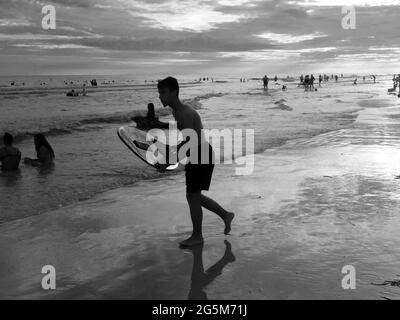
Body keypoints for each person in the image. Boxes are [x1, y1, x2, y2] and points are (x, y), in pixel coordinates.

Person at [155, 77, 234, 247]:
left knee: (192, 196)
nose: (160, 96)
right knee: (194, 196)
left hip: (201, 154)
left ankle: (198, 236)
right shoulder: (177, 112)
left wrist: (167, 163)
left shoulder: (184, 114)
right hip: (197, 154)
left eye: (163, 92)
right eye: (159, 93)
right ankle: (226, 215)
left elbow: (187, 143)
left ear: (174, 92)